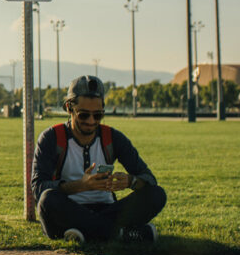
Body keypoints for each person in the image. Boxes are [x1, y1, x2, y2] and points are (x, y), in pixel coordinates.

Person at [31, 75, 166, 244]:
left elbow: (149, 178)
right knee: (47, 200)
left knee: (157, 195)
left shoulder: (113, 137)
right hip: (69, 208)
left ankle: (85, 232)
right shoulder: (51, 138)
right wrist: (81, 186)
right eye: (83, 115)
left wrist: (131, 181)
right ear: (69, 108)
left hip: (108, 209)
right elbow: (38, 188)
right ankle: (121, 234)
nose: (91, 121)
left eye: (98, 115)